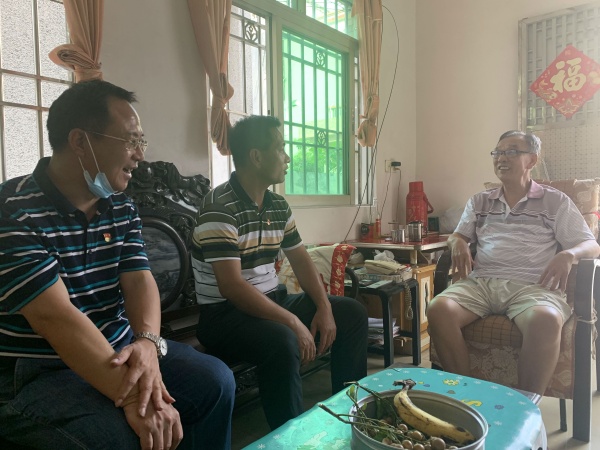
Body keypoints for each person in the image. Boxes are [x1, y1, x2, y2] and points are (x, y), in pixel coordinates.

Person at [0, 80, 235, 450]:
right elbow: (54, 317)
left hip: (122, 347)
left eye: (141, 141)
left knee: (215, 381)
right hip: (42, 367)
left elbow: (140, 280)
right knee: (115, 436)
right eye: (131, 140)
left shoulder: (120, 205)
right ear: (80, 141)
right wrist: (137, 397)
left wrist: (148, 343)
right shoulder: (13, 210)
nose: (140, 154)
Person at [192, 115, 368, 430]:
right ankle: (289, 436)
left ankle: (349, 416)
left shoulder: (277, 205)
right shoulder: (219, 207)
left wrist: (325, 307)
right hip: (224, 317)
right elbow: (232, 287)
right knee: (284, 340)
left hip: (272, 302)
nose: (287, 158)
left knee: (351, 313)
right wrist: (292, 322)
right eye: (280, 148)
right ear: (256, 156)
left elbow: (301, 260)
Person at [427, 130, 600, 395]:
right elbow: (458, 235)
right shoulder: (480, 201)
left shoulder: (555, 201)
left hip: (532, 286)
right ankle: (464, 396)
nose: (501, 158)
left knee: (546, 319)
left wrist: (568, 255)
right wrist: (457, 241)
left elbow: (591, 244)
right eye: (497, 152)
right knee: (439, 309)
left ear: (532, 160)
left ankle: (523, 408)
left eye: (511, 152)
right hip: (482, 283)